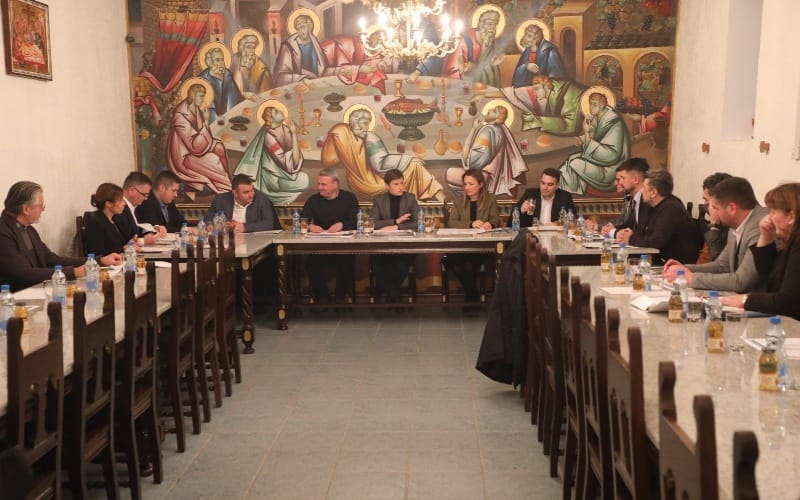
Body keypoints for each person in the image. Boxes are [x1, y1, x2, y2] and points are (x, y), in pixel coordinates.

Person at [0, 181, 121, 291]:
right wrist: (73, 272)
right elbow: (23, 273)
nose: (43, 210)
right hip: (14, 297)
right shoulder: (3, 232)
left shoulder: (29, 229)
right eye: (41, 206)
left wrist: (99, 260)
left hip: (36, 290)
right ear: (26, 209)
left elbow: (53, 260)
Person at [662, 177, 767, 292]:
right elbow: (722, 265)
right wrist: (684, 269)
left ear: (732, 208)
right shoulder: (736, 223)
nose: (712, 212)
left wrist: (692, 278)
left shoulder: (759, 227)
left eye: (715, 208)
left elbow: (741, 281)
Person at [321, 107, 443, 200]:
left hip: (355, 183)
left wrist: (345, 156)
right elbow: (380, 164)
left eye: (368, 124)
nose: (366, 127)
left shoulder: (339, 132)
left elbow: (329, 160)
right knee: (414, 165)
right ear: (356, 123)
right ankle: (439, 198)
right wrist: (408, 158)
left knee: (412, 165)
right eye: (365, 123)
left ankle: (434, 197)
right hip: (373, 183)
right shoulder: (369, 137)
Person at [721, 183, 800, 319]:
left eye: (773, 212)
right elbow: (769, 278)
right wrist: (765, 237)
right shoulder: (790, 241)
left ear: (791, 217)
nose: (769, 218)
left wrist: (745, 300)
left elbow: (787, 301)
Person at [300, 169, 359, 303]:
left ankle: (340, 297)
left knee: (346, 265)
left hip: (344, 247)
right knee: (310, 265)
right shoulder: (313, 200)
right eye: (319, 184)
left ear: (335, 184)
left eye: (323, 184)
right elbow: (301, 221)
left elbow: (357, 221)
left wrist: (342, 225)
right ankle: (323, 297)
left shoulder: (349, 198)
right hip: (320, 248)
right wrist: (309, 226)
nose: (319, 187)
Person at [617, 170, 699, 264]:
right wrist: (627, 234)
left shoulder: (671, 208)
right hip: (661, 260)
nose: (641, 191)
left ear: (653, 193)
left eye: (644, 187)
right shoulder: (652, 206)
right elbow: (643, 232)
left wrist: (630, 239)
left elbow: (655, 242)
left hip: (677, 264)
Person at [233, 104, 308, 205]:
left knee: (304, 179)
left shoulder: (285, 129)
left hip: (286, 174)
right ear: (271, 119)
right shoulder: (268, 137)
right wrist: (294, 134)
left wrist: (294, 134)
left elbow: (295, 158)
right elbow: (285, 162)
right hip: (274, 179)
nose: (281, 111)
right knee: (304, 180)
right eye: (276, 112)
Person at [448, 104, 528, 197]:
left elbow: (471, 162)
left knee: (450, 173)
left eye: (493, 111)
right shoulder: (499, 130)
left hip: (483, 177)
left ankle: (475, 196)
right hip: (491, 176)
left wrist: (473, 129)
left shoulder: (488, 130)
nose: (489, 109)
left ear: (497, 118)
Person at [166, 83, 232, 195]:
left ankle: (228, 177)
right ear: (193, 96)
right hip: (185, 156)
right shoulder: (180, 116)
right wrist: (206, 121)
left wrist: (204, 122)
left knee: (220, 147)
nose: (203, 99)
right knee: (213, 161)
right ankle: (226, 184)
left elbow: (204, 135)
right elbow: (194, 146)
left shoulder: (195, 109)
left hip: (199, 147)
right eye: (200, 96)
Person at [559, 92, 630, 194]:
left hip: (611, 170)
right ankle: (571, 194)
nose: (591, 107)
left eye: (594, 104)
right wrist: (582, 139)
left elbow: (611, 155)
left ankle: (571, 194)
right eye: (590, 103)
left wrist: (587, 132)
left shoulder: (614, 122)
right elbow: (596, 136)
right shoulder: (599, 117)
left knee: (574, 163)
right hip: (600, 162)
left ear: (602, 106)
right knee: (571, 159)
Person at [446, 170, 500, 303]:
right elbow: (451, 223)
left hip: (482, 246)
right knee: (454, 262)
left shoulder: (490, 199)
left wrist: (490, 224)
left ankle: (470, 296)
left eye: (471, 184)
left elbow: (496, 220)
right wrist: (471, 224)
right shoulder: (459, 201)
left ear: (480, 184)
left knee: (470, 264)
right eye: (465, 184)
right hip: (461, 246)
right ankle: (472, 293)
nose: (467, 187)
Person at [370, 169, 420, 301]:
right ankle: (394, 294)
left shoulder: (410, 198)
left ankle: (392, 295)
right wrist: (395, 221)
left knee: (401, 265)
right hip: (382, 247)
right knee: (376, 266)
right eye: (396, 184)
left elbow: (419, 223)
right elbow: (373, 223)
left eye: (402, 183)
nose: (400, 187)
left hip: (405, 246)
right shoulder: (379, 200)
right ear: (387, 186)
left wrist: (397, 227)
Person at [441, 8, 504, 86]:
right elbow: (453, 69)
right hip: (462, 82)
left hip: (483, 84)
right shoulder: (465, 40)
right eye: (489, 24)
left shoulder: (490, 40)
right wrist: (466, 68)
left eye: (495, 25)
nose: (492, 28)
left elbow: (491, 64)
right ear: (481, 25)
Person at [502, 75, 584, 134]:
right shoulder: (553, 95)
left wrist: (538, 121)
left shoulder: (567, 93)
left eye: (537, 89)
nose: (534, 94)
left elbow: (570, 126)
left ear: (546, 86)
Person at [274, 14, 336, 86]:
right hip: (298, 86)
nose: (300, 31)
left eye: (303, 27)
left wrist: (340, 70)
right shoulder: (288, 46)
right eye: (298, 29)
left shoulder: (315, 44)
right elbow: (281, 77)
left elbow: (322, 71)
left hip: (316, 84)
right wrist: (302, 79)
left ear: (310, 27)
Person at [203, 174, 277, 233]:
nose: (251, 195)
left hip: (254, 241)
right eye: (246, 192)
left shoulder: (261, 199)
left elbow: (269, 223)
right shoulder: (220, 200)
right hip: (229, 240)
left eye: (252, 190)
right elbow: (207, 220)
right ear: (235, 193)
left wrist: (244, 227)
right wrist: (211, 225)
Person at [600, 158, 652, 237]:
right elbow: (629, 226)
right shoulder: (634, 199)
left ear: (635, 179)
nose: (619, 183)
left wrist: (614, 232)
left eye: (622, 178)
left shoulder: (648, 201)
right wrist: (612, 229)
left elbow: (642, 233)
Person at [508, 168, 573, 227]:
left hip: (555, 234)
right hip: (533, 234)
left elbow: (572, 220)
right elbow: (510, 222)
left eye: (550, 184)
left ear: (557, 186)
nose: (545, 187)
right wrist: (521, 210)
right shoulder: (530, 194)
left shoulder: (565, 197)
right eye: (543, 183)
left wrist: (557, 224)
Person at [114, 171, 166, 245]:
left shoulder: (133, 206)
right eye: (144, 194)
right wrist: (143, 241)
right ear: (132, 190)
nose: (146, 198)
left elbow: (136, 229)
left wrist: (154, 228)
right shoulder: (119, 209)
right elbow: (124, 240)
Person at [83, 183, 130, 258]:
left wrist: (130, 244)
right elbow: (98, 254)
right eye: (121, 200)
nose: (124, 204)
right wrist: (123, 249)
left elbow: (118, 245)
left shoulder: (115, 219)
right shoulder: (95, 223)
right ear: (108, 203)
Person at [198, 45, 243, 120]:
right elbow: (208, 107)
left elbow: (235, 99)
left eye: (222, 59)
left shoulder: (227, 75)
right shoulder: (203, 80)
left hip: (229, 117)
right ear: (210, 62)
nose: (222, 63)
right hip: (213, 120)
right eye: (217, 60)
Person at [697, 172, 733, 263]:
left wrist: (714, 228)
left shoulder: (733, 226)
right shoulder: (718, 222)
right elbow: (703, 259)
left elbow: (719, 264)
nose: (705, 205)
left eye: (707, 201)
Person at [230, 32, 272, 99]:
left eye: (253, 48)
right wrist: (243, 94)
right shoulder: (234, 60)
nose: (251, 51)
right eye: (248, 47)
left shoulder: (261, 66)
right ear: (242, 48)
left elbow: (266, 91)